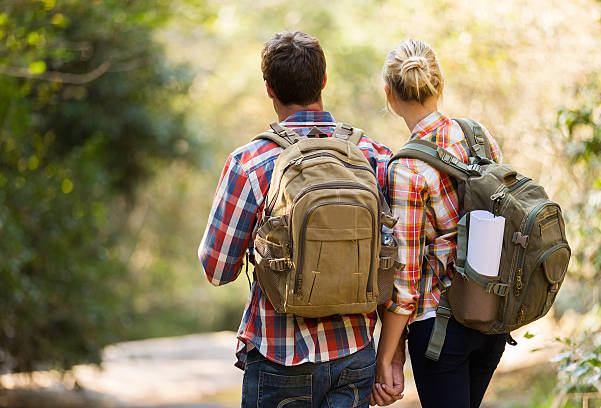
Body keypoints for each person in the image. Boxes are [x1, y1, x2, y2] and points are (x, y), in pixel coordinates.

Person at [198, 31, 393, 408]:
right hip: (353, 353)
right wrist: (392, 356)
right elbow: (393, 260)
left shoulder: (250, 163)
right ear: (324, 80)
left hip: (278, 357)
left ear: (268, 88)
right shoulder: (372, 155)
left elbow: (217, 269)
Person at [371, 39, 507, 407]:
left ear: (389, 95)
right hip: (491, 317)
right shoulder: (477, 135)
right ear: (439, 85)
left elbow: (406, 279)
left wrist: (386, 357)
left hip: (441, 327)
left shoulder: (406, 168)